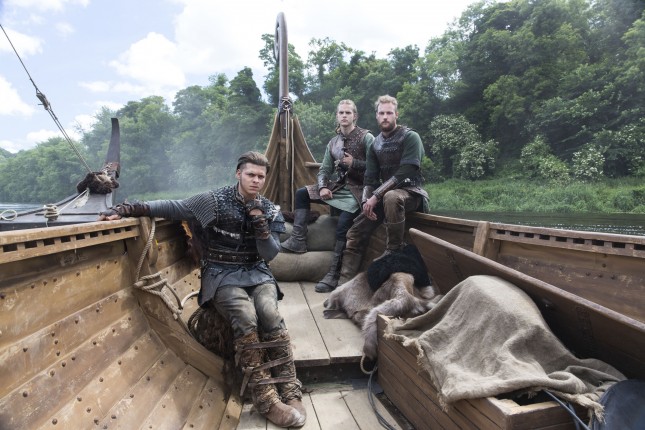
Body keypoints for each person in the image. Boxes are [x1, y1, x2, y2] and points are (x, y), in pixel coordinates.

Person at [98, 151, 306, 428]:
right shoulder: (214, 201)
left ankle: (289, 388)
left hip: (257, 272)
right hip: (221, 273)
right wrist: (130, 209)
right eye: (250, 174)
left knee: (270, 313)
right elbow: (174, 207)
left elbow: (269, 254)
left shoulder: (269, 210)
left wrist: (261, 227)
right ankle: (266, 398)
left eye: (260, 176)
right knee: (245, 316)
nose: (256, 180)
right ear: (238, 173)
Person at [280, 100, 374, 293]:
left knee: (343, 225)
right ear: (337, 116)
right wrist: (323, 186)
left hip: (360, 190)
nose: (344, 116)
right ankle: (298, 240)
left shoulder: (367, 138)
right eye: (341, 113)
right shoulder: (333, 142)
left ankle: (334, 273)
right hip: (340, 187)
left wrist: (355, 163)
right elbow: (324, 169)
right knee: (302, 193)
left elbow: (376, 169)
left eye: (348, 112)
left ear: (355, 116)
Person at [338, 95, 429, 285]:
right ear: (377, 116)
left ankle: (394, 249)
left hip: (412, 193)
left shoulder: (410, 136)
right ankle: (343, 284)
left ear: (396, 114)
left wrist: (377, 195)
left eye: (389, 113)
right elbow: (370, 177)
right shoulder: (375, 144)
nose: (385, 117)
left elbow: (408, 169)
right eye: (382, 113)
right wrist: (366, 201)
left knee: (391, 196)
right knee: (355, 231)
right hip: (386, 196)